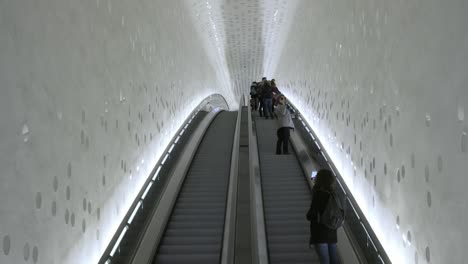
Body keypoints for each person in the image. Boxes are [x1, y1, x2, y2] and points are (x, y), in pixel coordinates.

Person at [306, 169, 340, 264]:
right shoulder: (334, 194)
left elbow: (311, 215)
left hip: (320, 234)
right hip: (332, 233)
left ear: (319, 179)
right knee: (334, 261)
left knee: (325, 261)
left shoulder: (318, 194)